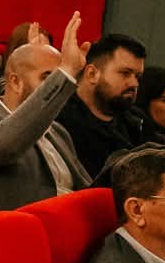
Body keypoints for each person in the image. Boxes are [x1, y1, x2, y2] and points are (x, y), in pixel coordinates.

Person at [0, 15, 90, 216]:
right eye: (48, 78)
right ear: (16, 82)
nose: (55, 87)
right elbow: (7, 144)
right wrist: (66, 71)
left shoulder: (57, 131)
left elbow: (86, 188)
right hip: (15, 231)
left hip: (71, 222)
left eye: (56, 79)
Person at [56, 33, 146, 179]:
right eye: (125, 73)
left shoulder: (137, 122)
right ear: (92, 74)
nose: (134, 83)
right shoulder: (60, 121)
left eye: (137, 76)